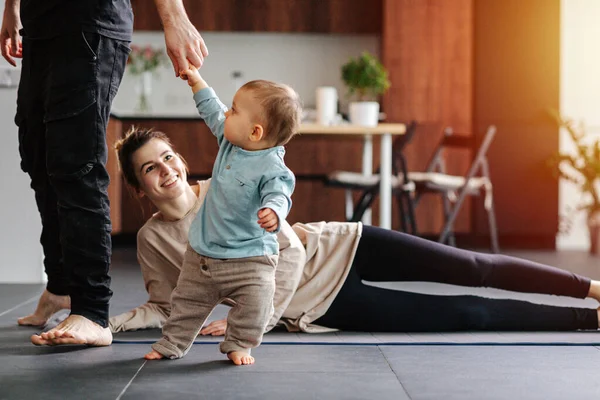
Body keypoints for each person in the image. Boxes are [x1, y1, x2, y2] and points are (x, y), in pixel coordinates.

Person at [109, 129, 600, 342]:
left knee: (474, 267)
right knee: (465, 312)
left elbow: (291, 249)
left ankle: (591, 287)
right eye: (149, 168)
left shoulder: (225, 186)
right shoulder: (153, 241)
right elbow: (166, 306)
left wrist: (261, 314)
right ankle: (589, 319)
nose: (166, 171)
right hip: (320, 305)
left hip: (342, 243)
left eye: (168, 157)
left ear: (180, 159)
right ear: (138, 186)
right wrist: (105, 325)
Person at [0, 0, 208, 346]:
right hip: (41, 25)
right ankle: (61, 287)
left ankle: (92, 310)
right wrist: (12, 8)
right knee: (39, 160)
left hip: (89, 22)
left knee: (76, 164)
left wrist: (175, 18)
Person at [143, 69, 300, 365]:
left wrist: (275, 212)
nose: (227, 113)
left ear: (255, 132)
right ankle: (172, 343)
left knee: (257, 304)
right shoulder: (230, 141)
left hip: (252, 259)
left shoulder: (273, 168)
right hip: (203, 254)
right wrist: (196, 81)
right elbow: (211, 109)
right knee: (186, 303)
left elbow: (280, 195)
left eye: (235, 110)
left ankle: (239, 343)